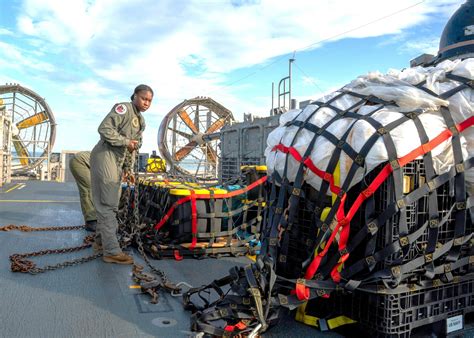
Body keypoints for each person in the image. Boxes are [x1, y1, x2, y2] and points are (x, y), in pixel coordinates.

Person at [90, 84, 153, 264]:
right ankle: (111, 251)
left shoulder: (141, 121)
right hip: (105, 156)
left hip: (117, 161)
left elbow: (132, 149)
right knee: (107, 205)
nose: (146, 103)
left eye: (149, 100)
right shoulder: (123, 109)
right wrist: (125, 141)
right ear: (134, 96)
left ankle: (100, 242)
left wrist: (128, 169)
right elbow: (104, 129)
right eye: (143, 98)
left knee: (112, 204)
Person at [69, 151, 96, 232]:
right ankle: (91, 221)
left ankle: (94, 218)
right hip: (80, 162)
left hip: (87, 163)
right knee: (88, 189)